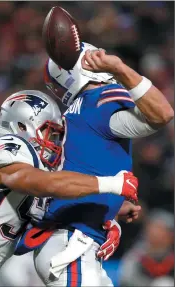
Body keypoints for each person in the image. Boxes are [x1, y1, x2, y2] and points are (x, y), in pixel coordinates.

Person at [0, 90, 138, 287]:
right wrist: (111, 184)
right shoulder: (9, 145)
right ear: (21, 125)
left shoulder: (34, 171)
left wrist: (110, 214)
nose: (54, 142)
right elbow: (45, 183)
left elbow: (55, 204)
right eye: (49, 132)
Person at [26, 42, 174, 287]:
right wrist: (119, 67)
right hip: (72, 243)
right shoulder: (99, 99)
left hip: (68, 241)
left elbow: (75, 174)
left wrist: (111, 207)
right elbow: (163, 113)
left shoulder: (76, 113)